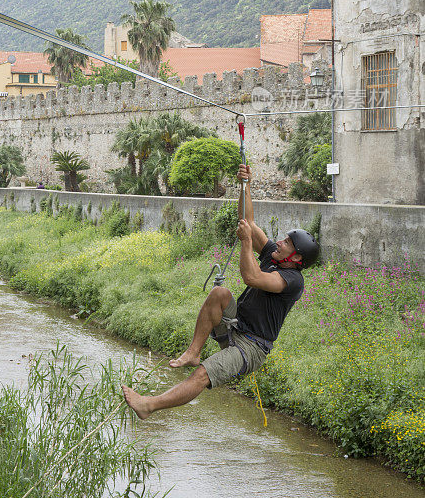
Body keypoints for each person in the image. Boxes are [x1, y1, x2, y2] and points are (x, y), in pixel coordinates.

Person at [122, 164, 319, 419]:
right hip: (235, 326)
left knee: (202, 375)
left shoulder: (292, 280)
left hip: (252, 346)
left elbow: (251, 276)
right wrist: (245, 185)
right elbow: (248, 221)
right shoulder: (275, 256)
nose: (279, 242)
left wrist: (247, 241)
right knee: (220, 294)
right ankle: (193, 352)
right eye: (283, 239)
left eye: (287, 243)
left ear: (296, 259)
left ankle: (148, 406)